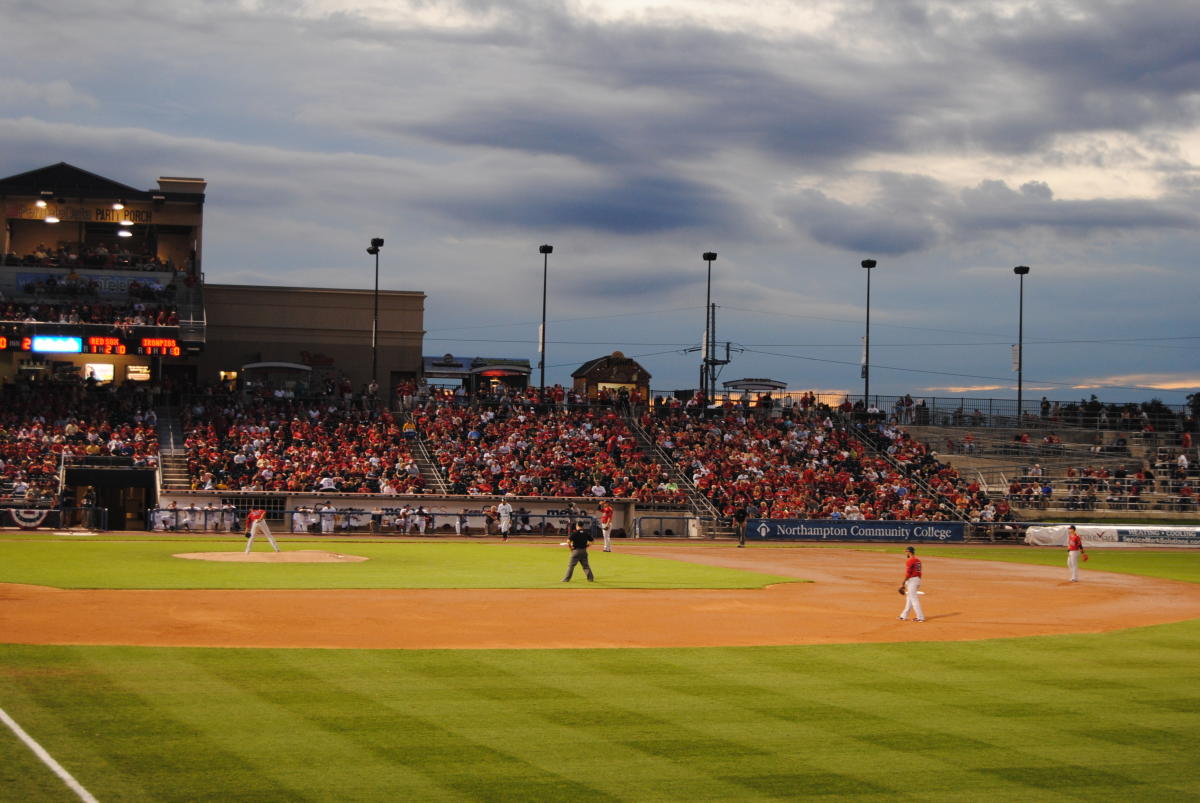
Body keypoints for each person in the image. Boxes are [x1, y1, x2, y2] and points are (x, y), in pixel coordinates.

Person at [897, 546, 925, 622]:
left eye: (906, 552)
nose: (905, 553)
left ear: (909, 552)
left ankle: (920, 617)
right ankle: (903, 616)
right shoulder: (918, 560)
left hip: (912, 580)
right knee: (909, 598)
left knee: (913, 599)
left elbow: (908, 574)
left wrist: (903, 583)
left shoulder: (910, 561)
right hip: (917, 579)